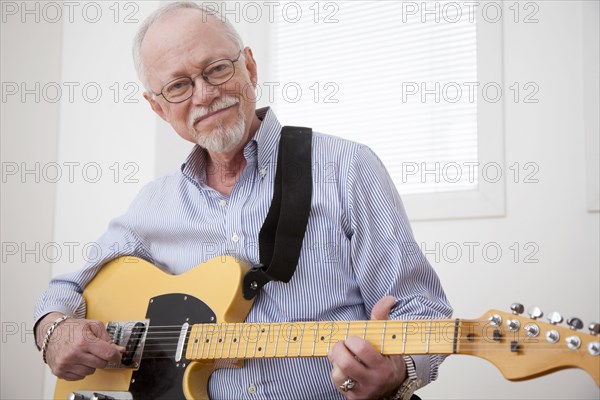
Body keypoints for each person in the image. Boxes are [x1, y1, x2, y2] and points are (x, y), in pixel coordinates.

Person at [34, 2, 452, 399]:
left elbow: (423, 310)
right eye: (179, 85)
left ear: (249, 67)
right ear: (158, 107)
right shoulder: (152, 204)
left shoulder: (347, 167)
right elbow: (66, 289)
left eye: (216, 69)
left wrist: (398, 372)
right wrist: (54, 332)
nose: (204, 95)